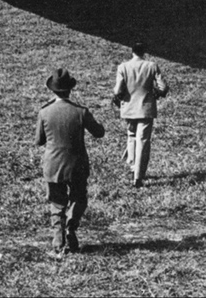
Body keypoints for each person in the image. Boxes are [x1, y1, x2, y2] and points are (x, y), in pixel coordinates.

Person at [35, 68, 105, 255]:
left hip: (53, 165)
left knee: (57, 202)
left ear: (53, 90)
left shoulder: (45, 112)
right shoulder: (81, 112)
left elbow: (39, 140)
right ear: (70, 89)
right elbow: (99, 132)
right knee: (78, 198)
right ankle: (71, 227)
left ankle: (58, 239)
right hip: (77, 165)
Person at [112, 42, 169, 188]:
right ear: (144, 52)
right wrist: (157, 93)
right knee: (143, 140)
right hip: (146, 108)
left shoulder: (123, 67)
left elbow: (118, 90)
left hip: (128, 108)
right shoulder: (152, 66)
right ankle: (139, 175)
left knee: (131, 136)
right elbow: (163, 87)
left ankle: (132, 166)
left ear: (132, 51)